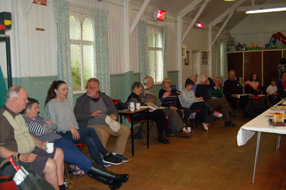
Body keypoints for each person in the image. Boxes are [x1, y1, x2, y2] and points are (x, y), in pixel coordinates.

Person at [23, 98, 129, 190]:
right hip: (54, 145)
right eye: (35, 108)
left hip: (60, 140)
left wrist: (47, 126)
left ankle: (110, 181)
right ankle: (113, 178)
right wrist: (47, 125)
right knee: (83, 161)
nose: (38, 110)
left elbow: (54, 125)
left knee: (83, 161)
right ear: (27, 110)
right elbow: (44, 129)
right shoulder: (26, 121)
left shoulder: (38, 118)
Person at [45, 80, 122, 167]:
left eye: (67, 89)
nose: (66, 92)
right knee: (91, 130)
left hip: (73, 132)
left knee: (90, 140)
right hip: (62, 134)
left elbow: (73, 118)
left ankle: (100, 164)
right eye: (63, 90)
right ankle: (107, 154)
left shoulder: (67, 102)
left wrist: (77, 130)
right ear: (56, 91)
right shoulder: (51, 104)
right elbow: (53, 125)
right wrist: (70, 128)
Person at [0, 86, 65, 190]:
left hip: (29, 152)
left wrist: (40, 144)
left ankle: (60, 186)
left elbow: (26, 134)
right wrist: (20, 156)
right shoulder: (3, 119)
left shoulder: (18, 115)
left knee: (58, 152)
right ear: (14, 100)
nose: (26, 102)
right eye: (24, 99)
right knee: (50, 164)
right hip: (13, 161)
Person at [74, 78, 130, 162]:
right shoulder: (81, 100)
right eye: (87, 87)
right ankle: (100, 158)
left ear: (97, 89)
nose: (87, 89)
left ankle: (117, 153)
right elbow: (77, 116)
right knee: (103, 133)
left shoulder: (105, 98)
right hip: (90, 126)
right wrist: (91, 114)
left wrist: (113, 115)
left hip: (106, 124)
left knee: (125, 130)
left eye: (90, 87)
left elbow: (114, 110)